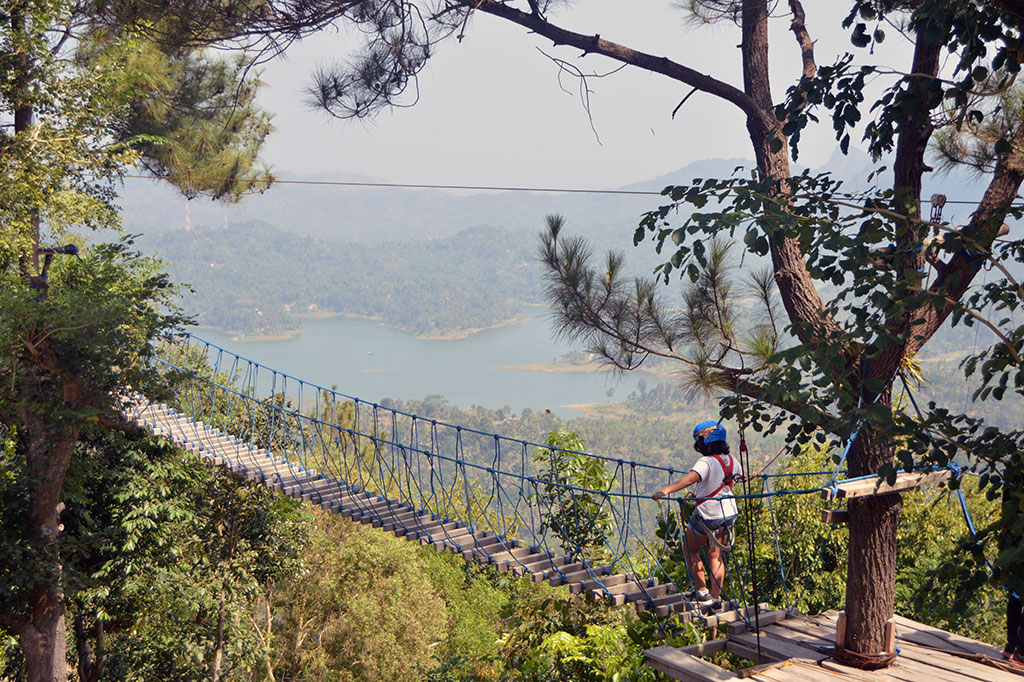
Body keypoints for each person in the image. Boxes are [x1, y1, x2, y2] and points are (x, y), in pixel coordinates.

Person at [652, 419, 743, 610]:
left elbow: (689, 480)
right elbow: (739, 478)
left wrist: (665, 491)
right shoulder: (732, 460)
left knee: (689, 549)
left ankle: (702, 591)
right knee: (716, 556)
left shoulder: (705, 462)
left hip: (708, 515)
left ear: (705, 441)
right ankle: (716, 598)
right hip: (728, 514)